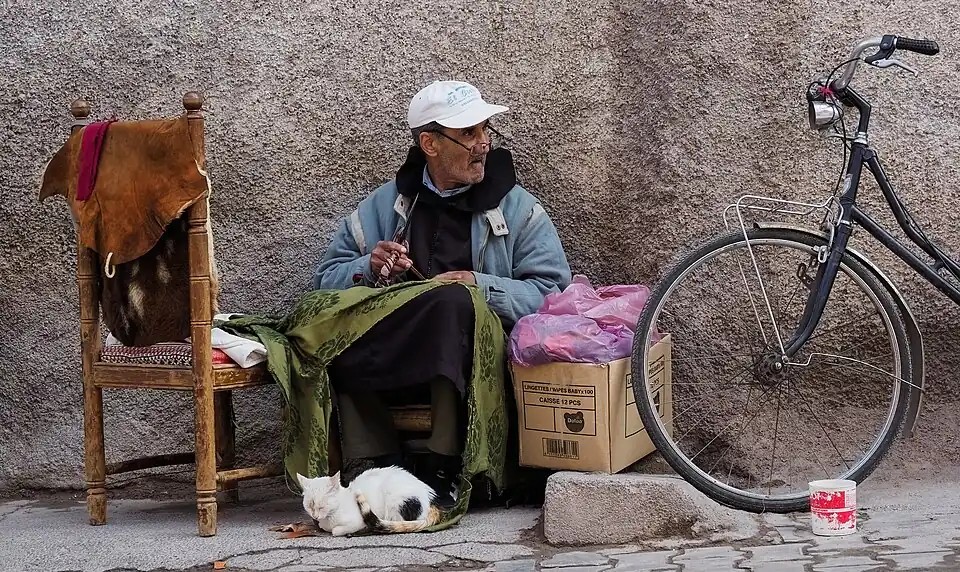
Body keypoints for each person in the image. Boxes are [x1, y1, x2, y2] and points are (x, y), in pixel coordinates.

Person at [313, 80, 572, 506]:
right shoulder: (384, 207)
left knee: (453, 303)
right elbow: (324, 283)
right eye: (469, 133)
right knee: (336, 324)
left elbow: (554, 295)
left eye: (486, 130)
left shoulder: (518, 209)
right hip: (395, 357)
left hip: (471, 362)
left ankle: (445, 465)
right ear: (429, 144)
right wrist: (369, 267)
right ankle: (373, 460)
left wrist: (480, 286)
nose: (484, 144)